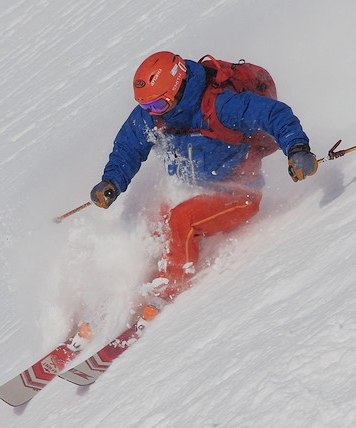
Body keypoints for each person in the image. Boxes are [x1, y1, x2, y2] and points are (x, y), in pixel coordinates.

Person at [89, 51, 317, 323]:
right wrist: (112, 180)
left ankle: (169, 290)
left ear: (176, 89)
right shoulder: (154, 112)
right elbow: (129, 146)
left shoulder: (221, 105)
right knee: (151, 216)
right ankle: (130, 286)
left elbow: (273, 114)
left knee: (181, 220)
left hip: (238, 194)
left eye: (157, 106)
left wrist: (297, 148)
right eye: (146, 107)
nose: (151, 113)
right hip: (193, 188)